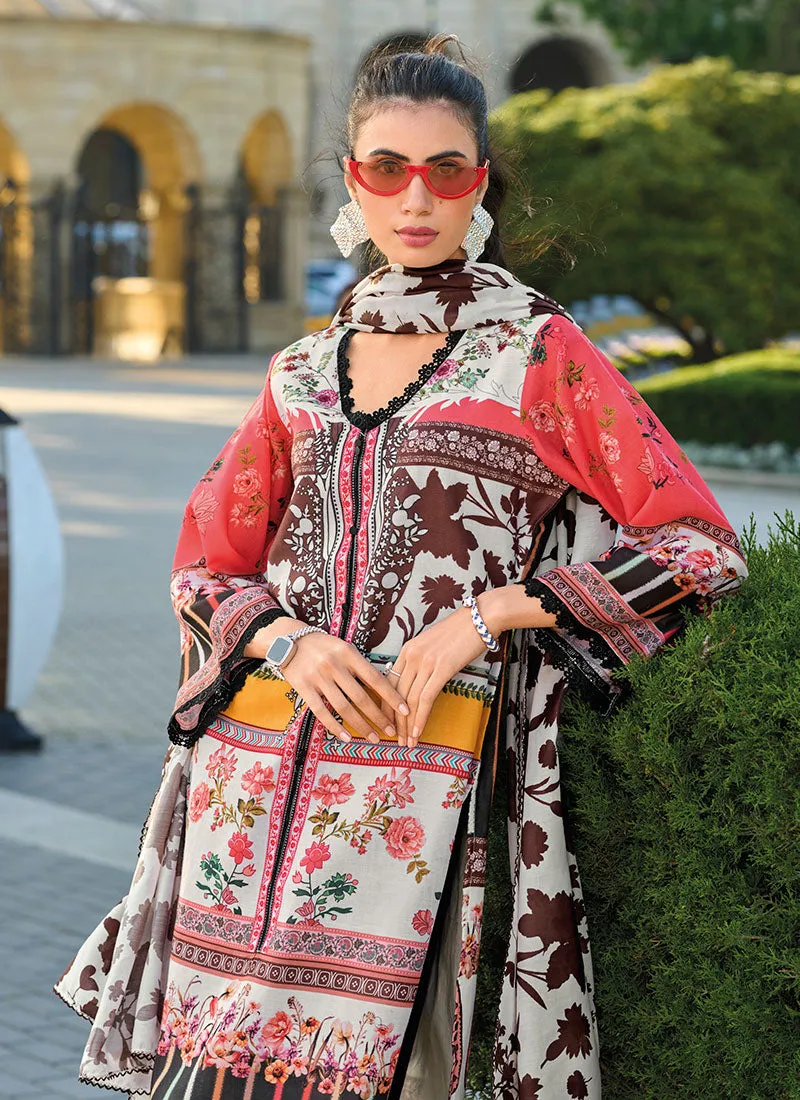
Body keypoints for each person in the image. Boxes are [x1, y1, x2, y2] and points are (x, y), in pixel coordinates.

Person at [55, 35, 748, 1100]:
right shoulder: (298, 371)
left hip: (427, 808)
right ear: (350, 180)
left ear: (480, 181)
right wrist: (286, 635)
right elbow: (205, 567)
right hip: (250, 805)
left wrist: (495, 613)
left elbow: (698, 548)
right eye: (386, 167)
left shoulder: (536, 352)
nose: (413, 195)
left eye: (445, 168)